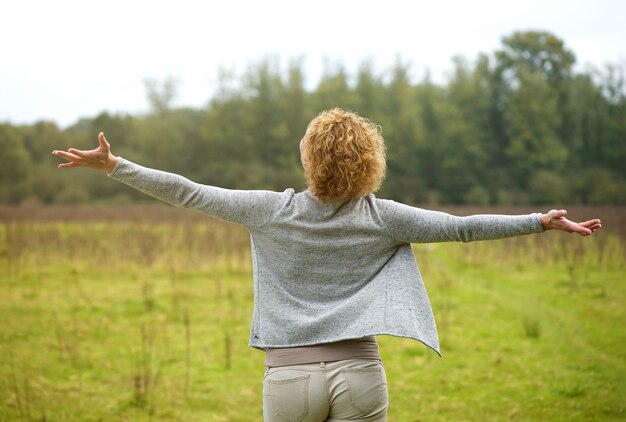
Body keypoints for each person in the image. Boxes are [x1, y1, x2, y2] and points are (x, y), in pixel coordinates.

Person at [53, 108, 601, 421]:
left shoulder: (270, 211)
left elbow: (189, 192)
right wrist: (538, 221)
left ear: (310, 156)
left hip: (286, 378)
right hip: (359, 374)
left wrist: (116, 166)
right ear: (370, 161)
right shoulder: (384, 217)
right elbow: (460, 227)